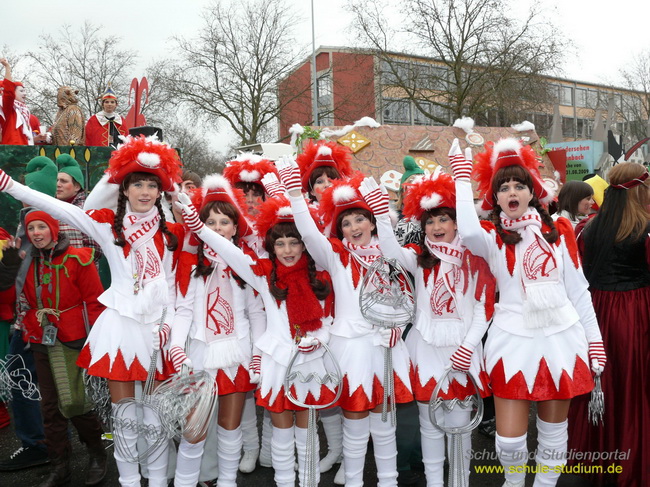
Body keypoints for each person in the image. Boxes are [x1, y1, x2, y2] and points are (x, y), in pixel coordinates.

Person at [0, 134, 185, 487]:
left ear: (159, 191)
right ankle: (129, 482)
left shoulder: (173, 234)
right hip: (122, 330)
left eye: (151, 184)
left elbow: (176, 291)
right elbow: (58, 207)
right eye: (137, 184)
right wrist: (9, 185)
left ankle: (159, 481)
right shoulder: (106, 227)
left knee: (157, 419)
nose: (145, 191)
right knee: (126, 418)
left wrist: (170, 327)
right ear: (124, 190)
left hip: (158, 330)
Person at [448, 137, 606, 487]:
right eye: (503, 187)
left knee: (553, 431)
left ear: (532, 191)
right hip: (512, 340)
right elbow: (469, 230)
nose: (512, 192)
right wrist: (461, 180)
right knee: (509, 439)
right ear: (496, 198)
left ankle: (546, 484)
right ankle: (514, 482)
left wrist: (595, 341)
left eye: (519, 184)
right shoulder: (490, 236)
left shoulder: (560, 232)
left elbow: (579, 292)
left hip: (561, 337)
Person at [176, 188, 338, 487]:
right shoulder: (263, 276)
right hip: (278, 362)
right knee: (280, 434)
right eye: (280, 244)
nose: (288, 250)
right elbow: (232, 253)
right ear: (271, 247)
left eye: (294, 243)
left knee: (307, 436)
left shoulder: (322, 277)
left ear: (304, 246)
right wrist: (201, 230)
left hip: (312, 363)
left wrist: (321, 337)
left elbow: (329, 317)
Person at [279, 161, 414, 487]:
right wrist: (297, 196)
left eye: (360, 219)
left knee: (384, 427)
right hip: (351, 348)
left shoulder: (392, 254)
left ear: (371, 221)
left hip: (386, 347)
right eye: (347, 222)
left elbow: (407, 297)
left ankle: (388, 482)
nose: (354, 227)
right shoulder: (336, 255)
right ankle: (353, 481)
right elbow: (310, 235)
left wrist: (398, 325)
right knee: (355, 426)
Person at [362, 172, 495, 486]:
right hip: (425, 350)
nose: (436, 228)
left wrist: (468, 347)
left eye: (443, 220)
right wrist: (382, 215)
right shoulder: (418, 259)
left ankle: (459, 482)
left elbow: (483, 309)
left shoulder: (476, 258)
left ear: (456, 222)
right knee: (429, 427)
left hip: (462, 351)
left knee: (461, 429)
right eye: (430, 222)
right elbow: (391, 253)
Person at [169, 175, 263, 487]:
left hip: (236, 354)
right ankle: (184, 481)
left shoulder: (246, 264)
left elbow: (255, 314)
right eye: (211, 222)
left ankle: (227, 481)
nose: (218, 227)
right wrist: (176, 346)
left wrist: (257, 355)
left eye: (225, 222)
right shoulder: (191, 264)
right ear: (202, 226)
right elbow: (183, 310)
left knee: (229, 429)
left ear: (236, 227)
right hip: (199, 356)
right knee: (193, 432)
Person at [567, 162, 650, 487]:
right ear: (640, 189)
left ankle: (592, 458)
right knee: (632, 387)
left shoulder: (587, 228)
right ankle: (631, 461)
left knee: (599, 385)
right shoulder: (644, 229)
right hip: (635, 314)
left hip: (595, 312)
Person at [20, 210, 106, 487]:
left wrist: (97, 343)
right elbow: (18, 295)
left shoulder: (78, 259)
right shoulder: (26, 261)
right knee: (49, 406)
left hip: (74, 338)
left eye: (41, 226)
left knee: (75, 402)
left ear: (53, 230)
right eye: (30, 228)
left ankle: (97, 455)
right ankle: (60, 466)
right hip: (39, 337)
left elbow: (95, 302)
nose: (35, 233)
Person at [55, 154, 102, 261]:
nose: (58, 184)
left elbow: (96, 249)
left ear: (77, 186)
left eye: (64, 181)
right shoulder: (50, 207)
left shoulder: (87, 210)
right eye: (57, 180)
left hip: (82, 271)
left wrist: (75, 265)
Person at [295, 139, 354, 205]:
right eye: (319, 182)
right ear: (312, 191)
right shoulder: (305, 214)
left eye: (332, 180)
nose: (327, 185)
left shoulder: (352, 212)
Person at [0, 58, 39, 145]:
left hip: (24, 151)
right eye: (21, 91)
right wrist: (7, 67)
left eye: (25, 91)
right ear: (13, 93)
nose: (25, 94)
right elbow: (8, 92)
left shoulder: (23, 111)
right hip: (12, 152)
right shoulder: (8, 108)